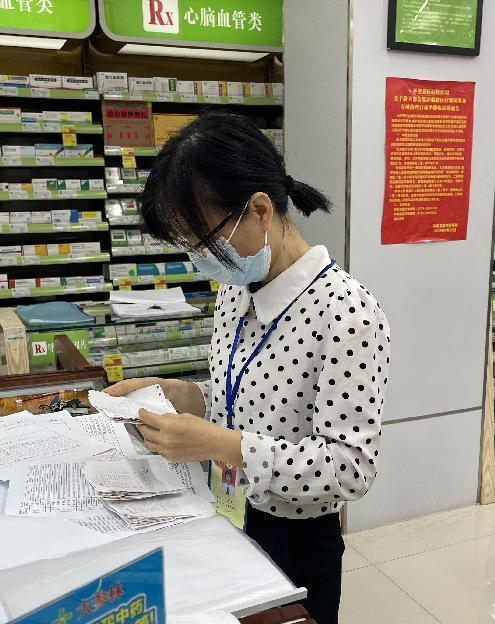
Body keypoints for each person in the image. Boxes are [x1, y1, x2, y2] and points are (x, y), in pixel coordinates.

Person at [105, 112, 390, 624]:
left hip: (295, 538)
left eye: (205, 243)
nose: (199, 260)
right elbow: (241, 397)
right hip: (227, 508)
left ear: (259, 210)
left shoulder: (348, 313)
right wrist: (180, 395)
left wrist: (222, 445)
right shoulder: (236, 291)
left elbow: (349, 467)